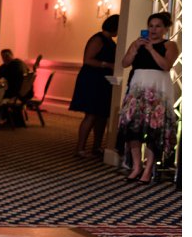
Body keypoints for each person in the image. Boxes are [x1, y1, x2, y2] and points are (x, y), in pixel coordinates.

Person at [116, 12, 180, 183]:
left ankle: (149, 168)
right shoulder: (138, 43)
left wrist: (151, 49)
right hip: (137, 90)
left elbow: (166, 65)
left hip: (157, 91)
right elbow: (124, 63)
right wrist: (135, 48)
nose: (153, 29)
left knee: (154, 131)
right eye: (151, 26)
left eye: (158, 26)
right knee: (133, 130)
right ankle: (137, 166)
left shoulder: (170, 45)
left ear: (165, 29)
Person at [69, 15, 119, 158]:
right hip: (92, 79)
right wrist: (108, 65)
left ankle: (96, 147)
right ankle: (80, 148)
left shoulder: (110, 41)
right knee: (91, 114)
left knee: (102, 114)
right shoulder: (98, 39)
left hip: (104, 80)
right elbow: (88, 60)